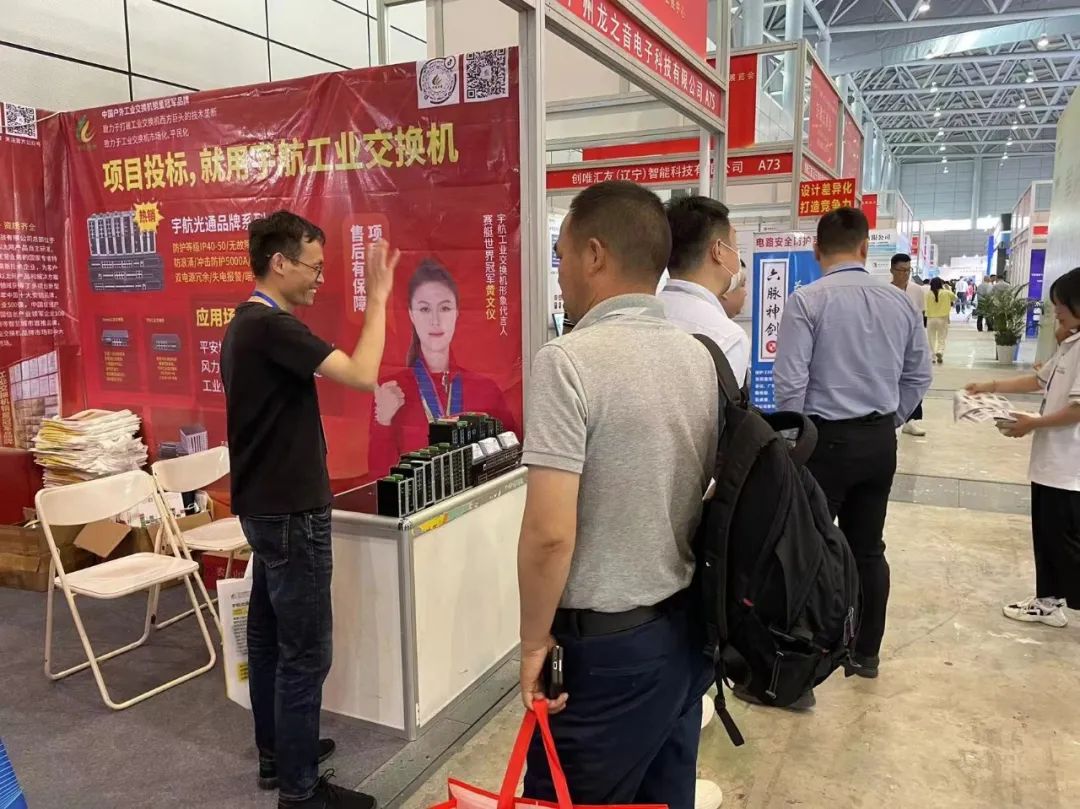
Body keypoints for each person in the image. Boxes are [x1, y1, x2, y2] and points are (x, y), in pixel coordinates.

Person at [517, 181, 720, 809]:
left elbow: (550, 534)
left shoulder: (567, 361)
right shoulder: (700, 357)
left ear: (595, 254)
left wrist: (532, 642)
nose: (559, 273)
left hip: (604, 656)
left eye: (561, 255)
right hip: (684, 635)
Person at [222, 210, 398, 809]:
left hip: (265, 509)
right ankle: (300, 793)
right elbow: (363, 375)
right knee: (305, 653)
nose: (320, 279)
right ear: (280, 262)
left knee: (271, 638)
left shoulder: (246, 325)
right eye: (314, 267)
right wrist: (379, 298)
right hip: (292, 513)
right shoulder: (271, 326)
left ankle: (280, 753)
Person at [773, 207, 932, 680]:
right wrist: (888, 420)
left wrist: (796, 442)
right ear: (865, 248)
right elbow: (919, 376)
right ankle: (865, 654)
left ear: (816, 250)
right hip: (879, 443)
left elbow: (790, 385)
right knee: (867, 549)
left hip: (823, 443)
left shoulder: (806, 301)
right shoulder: (901, 303)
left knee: (807, 549)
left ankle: (803, 661)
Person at [966, 267, 1080, 628]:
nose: (1056, 311)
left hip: (1069, 468)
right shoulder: (1070, 345)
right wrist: (990, 386)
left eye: (1062, 304)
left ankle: (1057, 599)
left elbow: (1077, 410)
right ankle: (1047, 602)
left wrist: (1032, 424)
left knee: (1066, 543)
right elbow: (1037, 380)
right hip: (1051, 464)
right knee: (1047, 537)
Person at [367, 259, 517, 476]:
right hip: (416, 497)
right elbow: (378, 478)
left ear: (457, 313)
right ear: (411, 315)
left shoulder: (486, 390)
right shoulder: (390, 391)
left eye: (445, 308)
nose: (435, 320)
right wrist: (383, 422)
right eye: (424, 309)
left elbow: (512, 460)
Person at [659, 196, 751, 384]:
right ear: (718, 251)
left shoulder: (640, 315)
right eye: (735, 246)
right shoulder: (727, 337)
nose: (737, 254)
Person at [890, 254, 928, 437]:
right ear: (892, 270)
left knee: (914, 378)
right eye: (901, 270)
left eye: (908, 270)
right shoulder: (884, 291)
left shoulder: (917, 290)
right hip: (891, 342)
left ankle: (911, 420)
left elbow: (920, 316)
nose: (905, 274)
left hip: (911, 342)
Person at [925, 277, 957, 365]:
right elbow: (955, 298)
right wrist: (948, 289)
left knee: (931, 338)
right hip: (942, 318)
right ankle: (940, 351)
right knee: (941, 337)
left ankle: (932, 357)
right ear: (941, 284)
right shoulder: (946, 292)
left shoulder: (928, 293)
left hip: (930, 318)